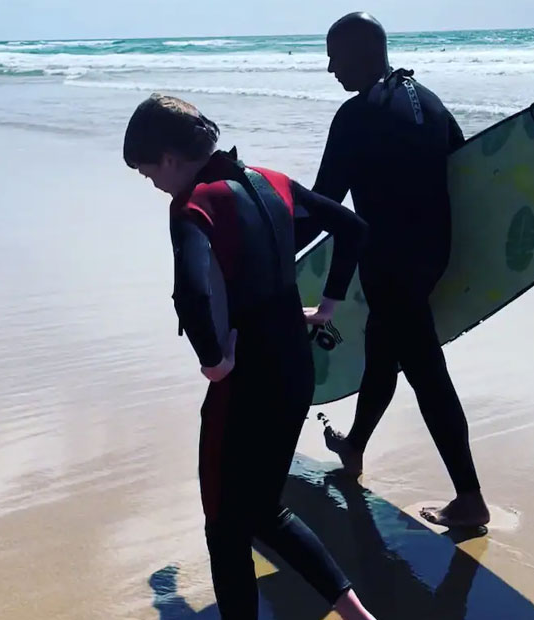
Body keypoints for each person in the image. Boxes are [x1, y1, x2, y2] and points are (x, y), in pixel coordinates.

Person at [123, 94, 375, 620]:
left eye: (148, 172)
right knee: (263, 511)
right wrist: (326, 307)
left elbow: (191, 291)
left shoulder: (194, 203)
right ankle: (358, 616)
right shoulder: (269, 181)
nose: (151, 184)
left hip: (245, 387)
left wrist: (213, 361)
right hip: (295, 371)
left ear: (169, 158)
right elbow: (352, 228)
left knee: (224, 525)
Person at [313, 12, 490, 529]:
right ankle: (354, 446)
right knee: (381, 351)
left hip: (390, 264)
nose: (330, 68)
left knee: (426, 374)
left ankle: (470, 498)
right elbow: (466, 173)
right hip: (431, 256)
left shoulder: (355, 116)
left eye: (335, 56)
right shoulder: (430, 104)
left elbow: (325, 204)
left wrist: (266, 233)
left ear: (363, 52)